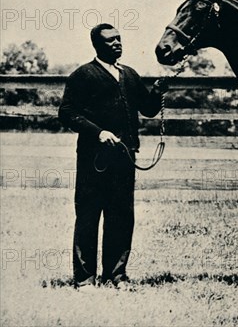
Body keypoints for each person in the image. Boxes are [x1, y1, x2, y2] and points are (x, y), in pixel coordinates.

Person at [59, 23, 168, 290]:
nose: (117, 43)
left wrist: (159, 91)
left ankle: (116, 276)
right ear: (97, 45)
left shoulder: (129, 75)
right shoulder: (82, 75)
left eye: (119, 39)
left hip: (125, 158)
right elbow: (67, 112)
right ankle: (85, 279)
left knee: (121, 215)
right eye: (110, 40)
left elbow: (149, 109)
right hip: (93, 158)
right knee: (88, 215)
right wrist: (98, 132)